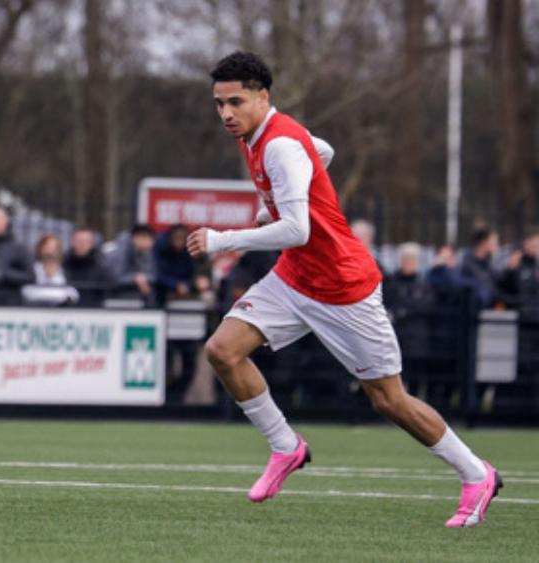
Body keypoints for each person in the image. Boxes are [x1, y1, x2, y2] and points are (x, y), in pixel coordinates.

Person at [187, 51, 500, 528]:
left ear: (262, 96)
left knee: (388, 400)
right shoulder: (262, 136)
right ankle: (286, 447)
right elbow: (324, 151)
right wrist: (279, 203)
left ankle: (477, 474)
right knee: (223, 351)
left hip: (343, 287)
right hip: (296, 278)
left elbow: (298, 230)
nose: (225, 113)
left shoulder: (279, 146)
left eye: (235, 101)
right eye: (219, 104)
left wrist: (222, 240)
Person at [0, 206, 34, 305]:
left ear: (6, 221)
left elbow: (30, 276)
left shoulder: (19, 249)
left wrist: (3, 275)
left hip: (10, 304)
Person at [22, 233, 78, 306]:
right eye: (47, 248)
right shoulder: (32, 269)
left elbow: (73, 293)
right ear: (40, 249)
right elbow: (26, 291)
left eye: (54, 248)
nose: (50, 252)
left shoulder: (65, 271)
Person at [63, 228, 111, 307]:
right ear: (72, 242)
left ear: (91, 244)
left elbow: (105, 294)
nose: (82, 245)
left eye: (86, 242)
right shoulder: (63, 264)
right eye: (79, 241)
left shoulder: (101, 267)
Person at [109, 224, 156, 304]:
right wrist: (135, 278)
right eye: (146, 239)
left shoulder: (147, 252)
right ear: (136, 238)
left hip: (142, 299)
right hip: (119, 299)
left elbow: (154, 274)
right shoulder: (121, 252)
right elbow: (115, 277)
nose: (150, 243)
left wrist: (144, 279)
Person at [460, 227, 501, 308]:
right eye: (494, 243)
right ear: (484, 243)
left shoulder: (488, 265)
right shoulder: (468, 266)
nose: (497, 247)